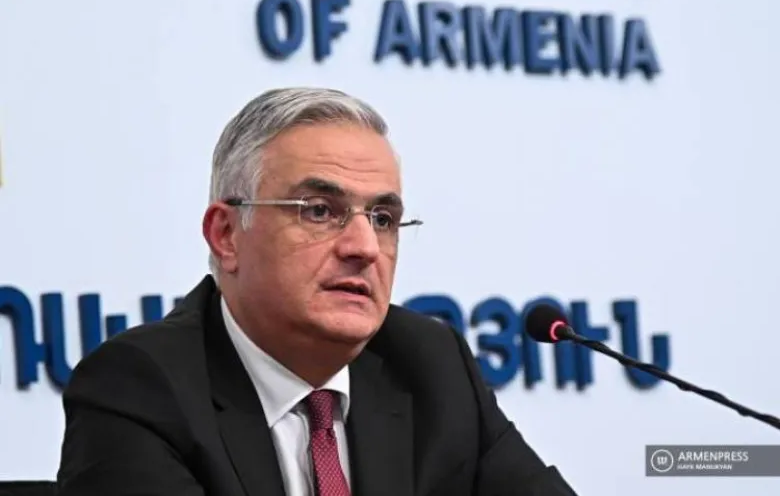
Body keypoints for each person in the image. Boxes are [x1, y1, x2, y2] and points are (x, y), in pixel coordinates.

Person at [56, 87, 578, 496]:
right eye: (320, 211)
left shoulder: (431, 365)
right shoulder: (139, 389)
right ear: (227, 235)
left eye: (383, 218)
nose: (364, 247)